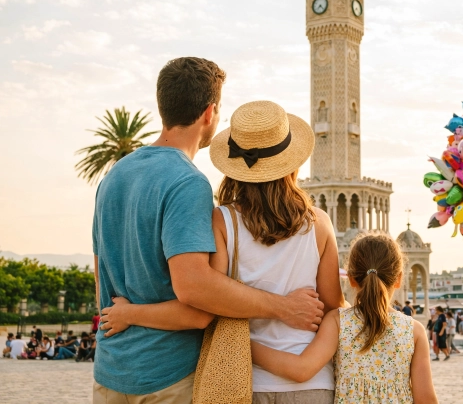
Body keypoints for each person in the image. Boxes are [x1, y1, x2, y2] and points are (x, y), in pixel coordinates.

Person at [91, 58, 324, 400]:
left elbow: (102, 282)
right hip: (166, 378)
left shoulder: (114, 176)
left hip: (111, 373)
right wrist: (283, 307)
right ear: (209, 113)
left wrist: (129, 313)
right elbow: (196, 295)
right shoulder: (186, 182)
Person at [250, 233, 439, 404]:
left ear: (351, 278)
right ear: (398, 279)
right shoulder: (413, 331)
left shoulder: (339, 322)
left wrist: (247, 345)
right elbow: (426, 399)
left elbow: (302, 369)